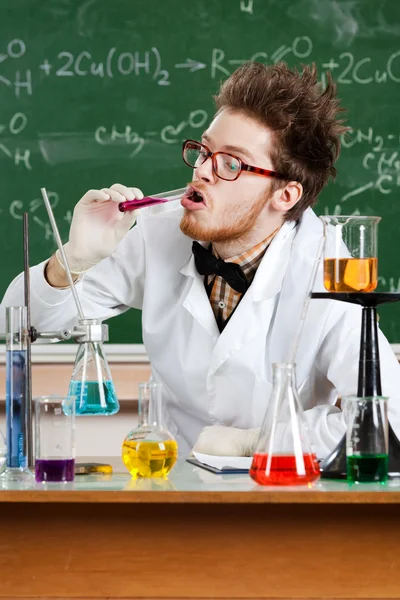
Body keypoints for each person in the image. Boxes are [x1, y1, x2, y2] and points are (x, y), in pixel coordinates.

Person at [1, 62, 400, 459]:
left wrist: (256, 443)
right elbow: (19, 323)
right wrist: (71, 260)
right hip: (175, 487)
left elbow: (388, 421)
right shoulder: (158, 231)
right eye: (204, 151)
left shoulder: (328, 267)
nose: (203, 170)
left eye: (232, 163)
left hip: (282, 495)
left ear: (286, 196)